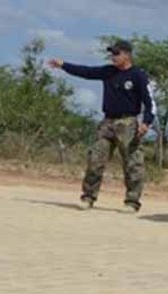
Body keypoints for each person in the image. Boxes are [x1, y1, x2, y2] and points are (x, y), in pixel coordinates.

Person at [48, 40, 155, 213]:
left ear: (126, 55)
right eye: (112, 54)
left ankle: (132, 201)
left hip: (128, 123)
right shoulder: (108, 72)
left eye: (116, 54)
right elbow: (86, 72)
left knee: (133, 164)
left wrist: (147, 122)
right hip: (107, 123)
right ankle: (88, 197)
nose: (113, 57)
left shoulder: (138, 76)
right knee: (95, 160)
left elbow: (150, 102)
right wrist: (63, 65)